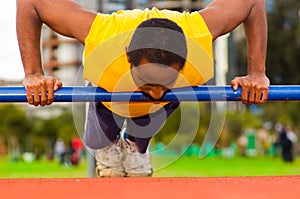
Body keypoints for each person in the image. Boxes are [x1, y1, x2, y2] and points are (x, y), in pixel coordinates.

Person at [17, 0, 270, 177]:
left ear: (184, 60)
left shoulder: (199, 35)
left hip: (161, 91)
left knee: (156, 105)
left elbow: (252, 2)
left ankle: (135, 143)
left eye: (166, 82)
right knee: (104, 154)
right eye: (148, 82)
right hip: (109, 88)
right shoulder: (101, 35)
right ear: (128, 55)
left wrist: (257, 73)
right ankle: (108, 139)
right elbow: (31, 2)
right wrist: (33, 74)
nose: (158, 92)